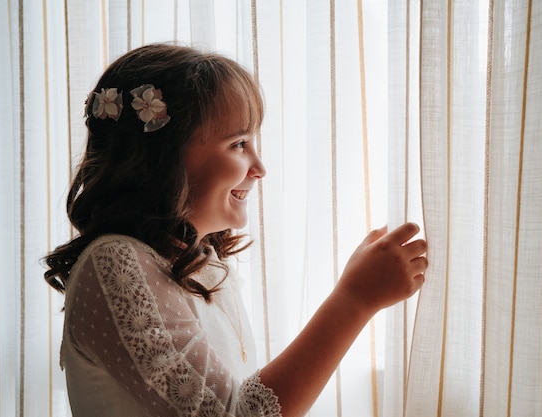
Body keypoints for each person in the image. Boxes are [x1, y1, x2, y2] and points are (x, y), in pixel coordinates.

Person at [44, 43, 428, 417]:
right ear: (163, 158)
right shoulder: (115, 262)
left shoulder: (198, 264)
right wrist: (354, 300)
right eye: (239, 143)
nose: (259, 167)